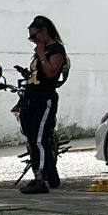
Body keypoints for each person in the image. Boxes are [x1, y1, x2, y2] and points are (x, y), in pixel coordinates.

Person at [17, 15, 68, 195]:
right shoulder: (42, 50)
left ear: (44, 32)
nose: (33, 41)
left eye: (35, 37)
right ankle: (48, 175)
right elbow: (38, 75)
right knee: (33, 139)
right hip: (31, 97)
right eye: (31, 38)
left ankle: (40, 180)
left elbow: (52, 72)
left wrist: (41, 56)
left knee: (39, 138)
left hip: (44, 100)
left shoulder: (55, 50)